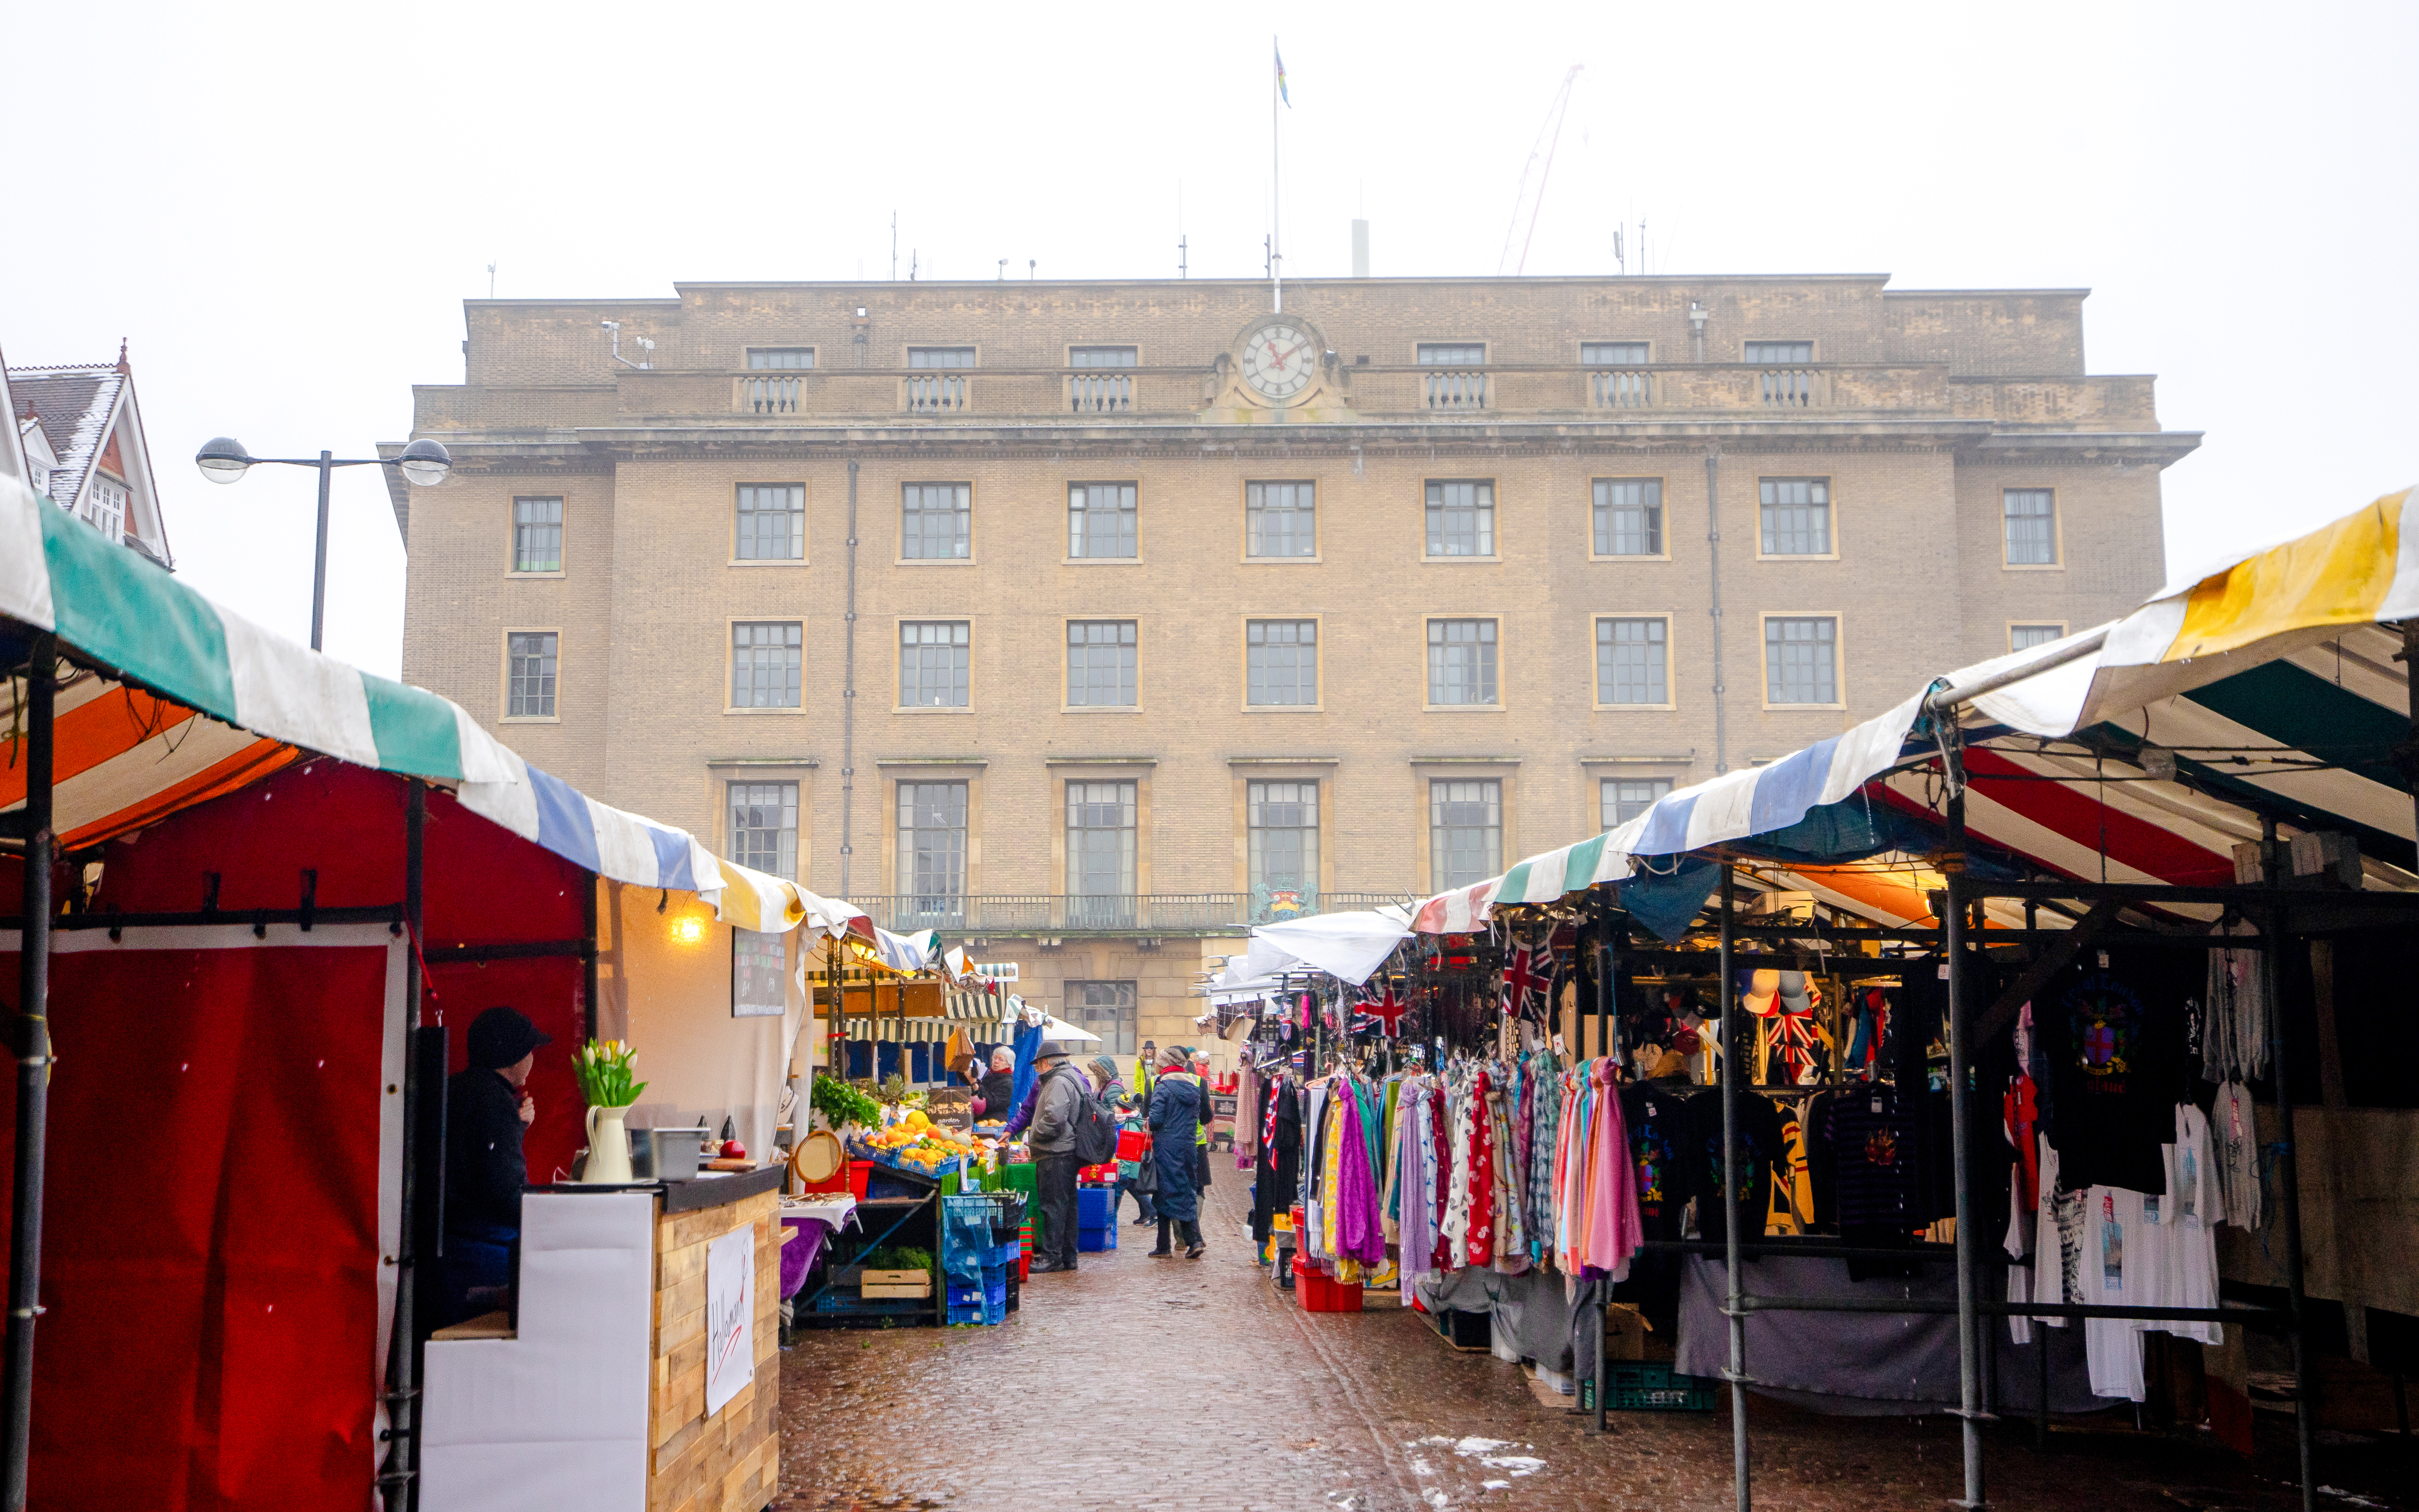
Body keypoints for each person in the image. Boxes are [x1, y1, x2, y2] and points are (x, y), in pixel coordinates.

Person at [441, 1006, 551, 1325]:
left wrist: (515, 1126)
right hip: (479, 1257)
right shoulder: (495, 1102)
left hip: (444, 1253)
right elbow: (503, 1193)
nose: (533, 1058)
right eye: (530, 1050)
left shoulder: (455, 1089)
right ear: (514, 1055)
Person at [1025, 1040, 1089, 1274]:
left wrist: (1035, 1134)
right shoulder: (1069, 1077)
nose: (1036, 1070)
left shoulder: (1058, 1081)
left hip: (1056, 1152)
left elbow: (1055, 1117)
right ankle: (1068, 1257)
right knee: (1067, 1207)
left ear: (1045, 1063)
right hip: (1064, 1151)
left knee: (1053, 1207)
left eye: (1037, 1065)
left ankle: (1052, 1257)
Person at [1146, 1046, 1210, 1259]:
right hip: (1189, 1146)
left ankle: (1191, 1241)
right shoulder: (1195, 1086)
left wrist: (1148, 1123)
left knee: (1170, 1192)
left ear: (1163, 1065)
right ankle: (1166, 1244)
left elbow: (1155, 1119)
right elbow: (1204, 1116)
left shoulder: (1162, 1087)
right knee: (1180, 1190)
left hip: (1166, 1148)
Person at [973, 1046, 1015, 1121]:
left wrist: (978, 1088)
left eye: (1001, 1060)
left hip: (995, 1122)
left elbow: (993, 1103)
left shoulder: (1007, 1082)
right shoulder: (989, 1074)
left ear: (1009, 1064)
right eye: (995, 1058)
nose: (996, 1061)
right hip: (981, 1120)